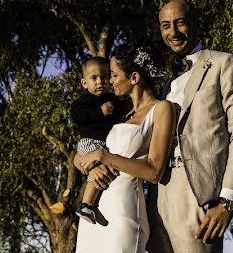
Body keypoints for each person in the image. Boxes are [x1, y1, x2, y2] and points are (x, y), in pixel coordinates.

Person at [147, 0, 233, 253]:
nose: (173, 32)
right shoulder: (168, 84)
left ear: (194, 23)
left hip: (199, 192)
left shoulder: (225, 64)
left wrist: (227, 202)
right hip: (159, 192)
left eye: (180, 23)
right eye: (166, 26)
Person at [74, 44, 176, 253]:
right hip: (94, 211)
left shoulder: (161, 109)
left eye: (113, 75)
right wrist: (91, 166)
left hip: (123, 209)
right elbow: (82, 151)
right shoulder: (119, 112)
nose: (109, 81)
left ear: (134, 77)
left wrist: (104, 156)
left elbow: (154, 171)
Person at [71, 56, 126, 225]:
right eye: (94, 78)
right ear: (84, 83)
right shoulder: (83, 101)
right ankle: (87, 204)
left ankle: (92, 204)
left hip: (104, 145)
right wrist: (99, 112)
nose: (100, 81)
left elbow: (122, 111)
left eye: (104, 76)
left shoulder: (113, 99)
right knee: (97, 172)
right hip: (90, 142)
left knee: (104, 173)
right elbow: (78, 117)